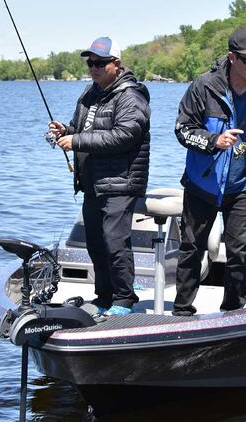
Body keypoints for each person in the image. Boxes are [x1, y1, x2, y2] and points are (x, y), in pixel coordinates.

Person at [172, 27, 246, 316]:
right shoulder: (204, 87)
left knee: (239, 252)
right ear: (232, 58)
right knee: (192, 247)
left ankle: (233, 312)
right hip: (203, 185)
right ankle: (182, 310)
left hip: (245, 186)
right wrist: (214, 141)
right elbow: (183, 129)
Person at [49, 37, 151, 316]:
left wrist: (78, 141)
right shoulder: (89, 94)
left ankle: (124, 299)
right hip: (93, 181)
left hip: (121, 181)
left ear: (115, 64)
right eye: (90, 62)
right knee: (95, 242)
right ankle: (104, 296)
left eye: (100, 63)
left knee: (114, 241)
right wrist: (65, 131)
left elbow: (125, 135)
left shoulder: (132, 96)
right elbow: (81, 128)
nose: (93, 67)